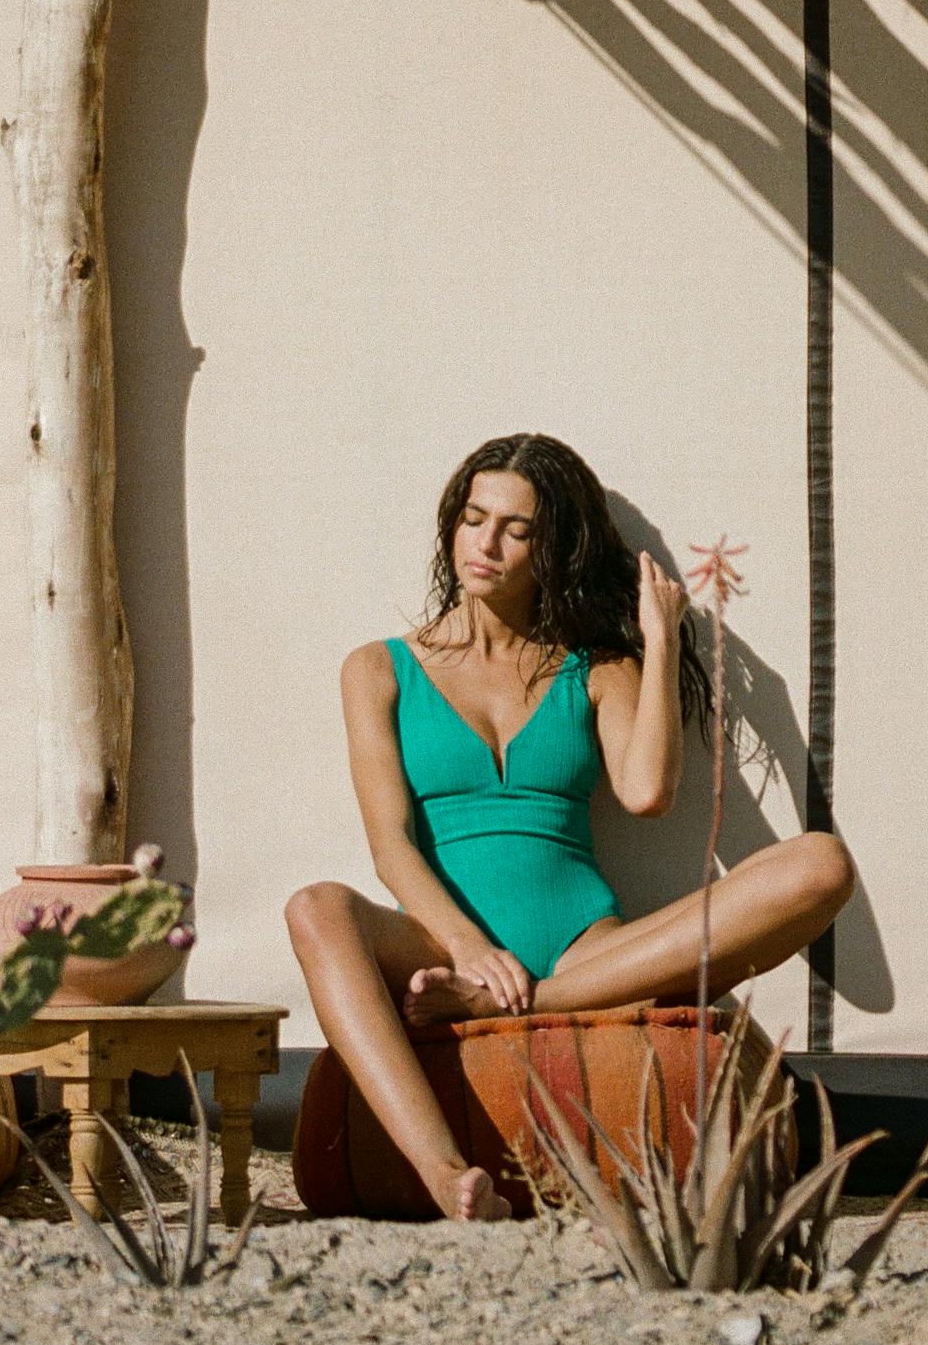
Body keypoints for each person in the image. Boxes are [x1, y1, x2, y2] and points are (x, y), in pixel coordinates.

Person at [285, 433, 854, 1222]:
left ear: (553, 548)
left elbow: (648, 792)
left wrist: (659, 644)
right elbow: (390, 845)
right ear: (451, 526)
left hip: (587, 949)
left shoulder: (596, 667)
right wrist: (469, 949)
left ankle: (543, 1001)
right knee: (315, 907)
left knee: (821, 864)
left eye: (517, 530)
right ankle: (447, 1174)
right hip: (443, 948)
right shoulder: (377, 668)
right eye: (474, 519)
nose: (487, 544)